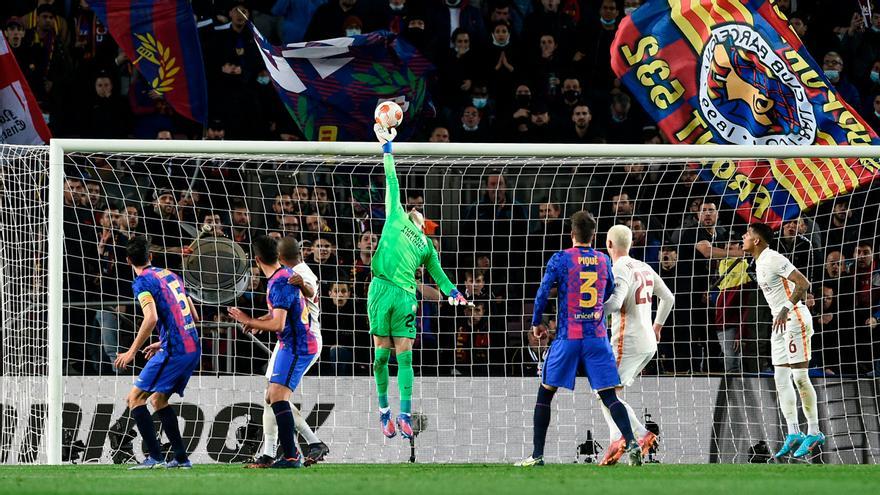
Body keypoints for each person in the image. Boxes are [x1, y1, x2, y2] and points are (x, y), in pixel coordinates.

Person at [516, 211, 643, 467]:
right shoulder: (602, 260)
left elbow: (542, 292)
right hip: (596, 338)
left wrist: (536, 323)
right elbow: (608, 291)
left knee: (545, 394)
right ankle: (631, 443)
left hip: (568, 337)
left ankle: (537, 455)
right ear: (593, 235)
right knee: (610, 397)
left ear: (571, 233)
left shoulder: (561, 259)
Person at [369, 123, 469, 439]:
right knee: (381, 356)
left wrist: (454, 292)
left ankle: (405, 415)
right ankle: (384, 412)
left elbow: (437, 274)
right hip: (381, 288)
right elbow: (392, 179)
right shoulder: (395, 214)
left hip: (405, 296)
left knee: (406, 354)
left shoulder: (425, 245)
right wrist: (386, 149)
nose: (421, 216)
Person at [227, 235, 319, 468]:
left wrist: (248, 319)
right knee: (271, 396)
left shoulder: (278, 282)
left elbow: (278, 324)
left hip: (299, 345)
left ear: (256, 260)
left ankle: (291, 456)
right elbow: (288, 308)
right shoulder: (287, 275)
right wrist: (258, 320)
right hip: (292, 343)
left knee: (277, 397)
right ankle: (290, 451)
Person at [114, 236, 201, 469]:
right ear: (150, 256)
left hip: (176, 349)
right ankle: (181, 458)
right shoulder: (171, 275)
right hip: (192, 346)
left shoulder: (142, 282)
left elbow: (151, 317)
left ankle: (155, 457)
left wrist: (132, 351)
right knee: (158, 399)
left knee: (134, 399)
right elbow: (194, 317)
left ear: (128, 260)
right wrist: (162, 341)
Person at [742, 223, 824, 459]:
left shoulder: (774, 258)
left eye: (747, 235)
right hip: (779, 324)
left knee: (799, 376)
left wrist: (785, 308)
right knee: (780, 377)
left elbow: (803, 283)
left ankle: (815, 431)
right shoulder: (758, 263)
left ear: (757, 241)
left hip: (794, 317)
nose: (743, 237)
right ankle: (793, 431)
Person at [598, 225, 674, 465]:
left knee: (605, 391)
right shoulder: (644, 266)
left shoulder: (619, 267)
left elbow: (615, 303)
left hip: (627, 341)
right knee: (609, 393)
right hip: (648, 342)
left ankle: (640, 435)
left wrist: (590, 311)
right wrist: (658, 326)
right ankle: (616, 438)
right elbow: (669, 298)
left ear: (609, 244)